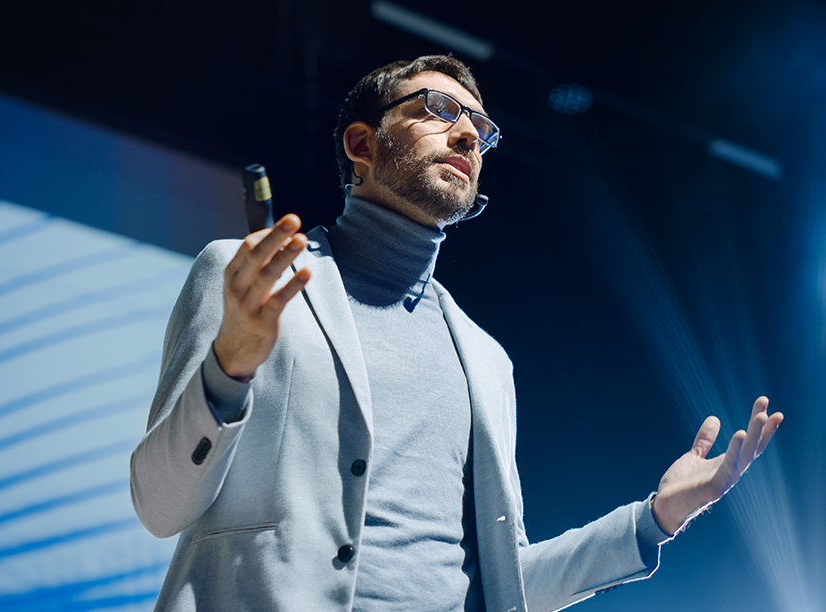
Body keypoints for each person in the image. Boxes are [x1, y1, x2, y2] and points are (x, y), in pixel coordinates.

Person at [130, 55, 783, 612]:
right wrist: (230, 368)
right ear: (362, 145)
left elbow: (505, 582)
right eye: (439, 109)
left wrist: (654, 519)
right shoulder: (245, 277)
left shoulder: (486, 360)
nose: (469, 134)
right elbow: (160, 506)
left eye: (482, 127)